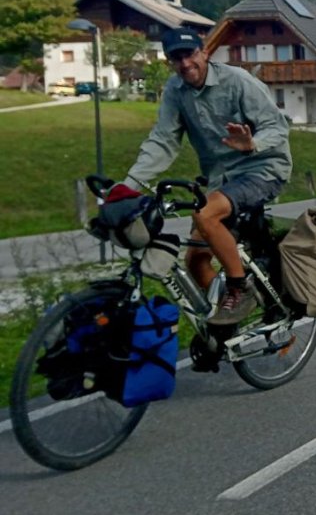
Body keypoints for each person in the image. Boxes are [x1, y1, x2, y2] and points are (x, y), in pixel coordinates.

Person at [120, 28, 292, 326]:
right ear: (169, 62)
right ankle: (229, 328)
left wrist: (253, 144)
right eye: (177, 58)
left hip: (262, 169)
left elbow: (278, 126)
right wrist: (127, 186)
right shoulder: (175, 92)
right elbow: (163, 141)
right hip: (221, 181)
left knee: (205, 213)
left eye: (190, 54)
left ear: (205, 53)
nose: (185, 64)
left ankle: (239, 288)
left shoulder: (237, 81)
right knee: (195, 261)